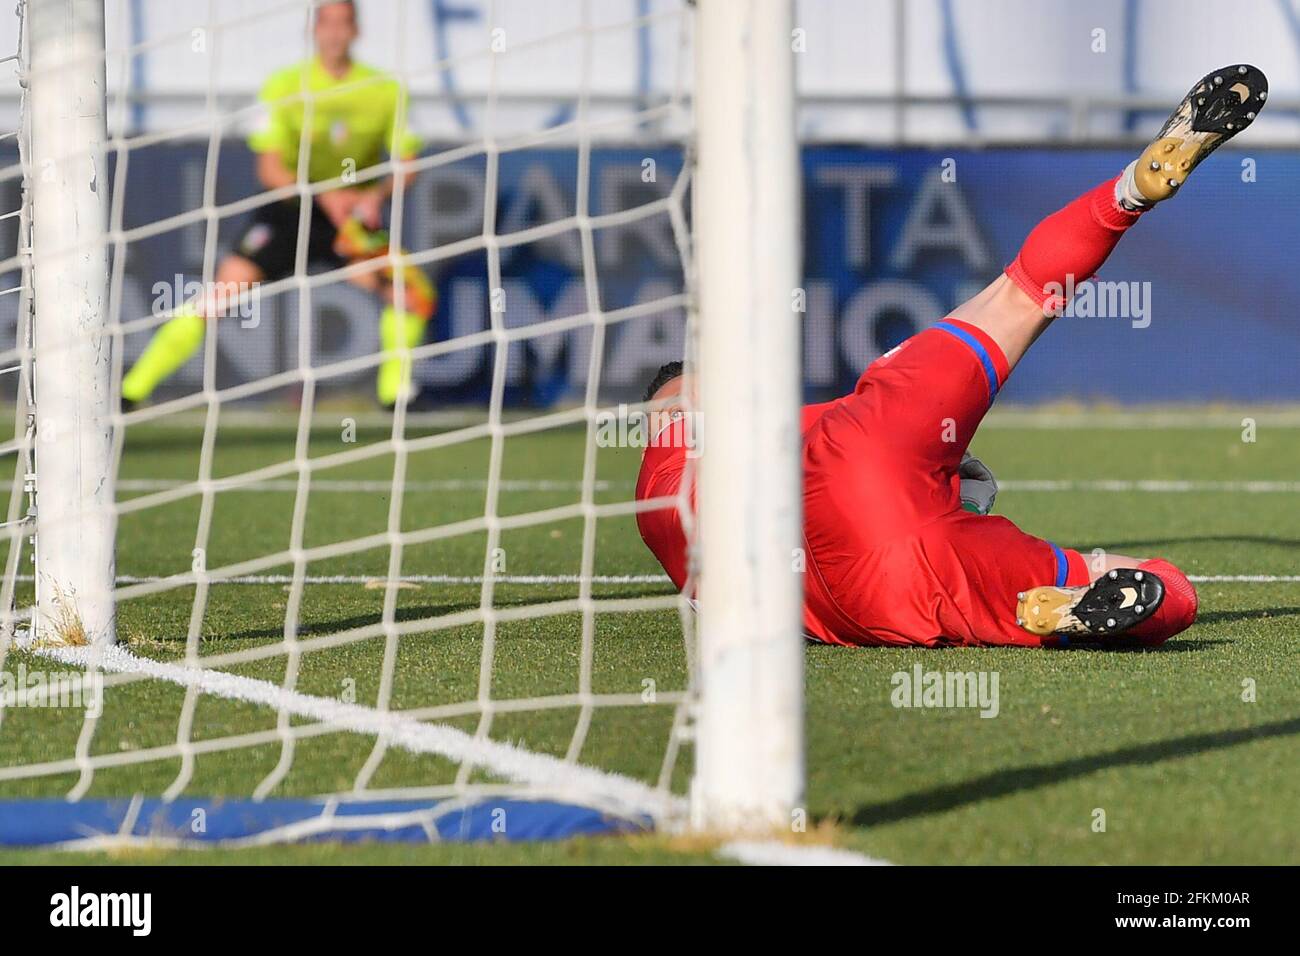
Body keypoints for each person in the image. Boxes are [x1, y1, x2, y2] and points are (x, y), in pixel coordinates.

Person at [636, 64, 1268, 648]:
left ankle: (1070, 610)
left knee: (1139, 581)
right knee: (1021, 294)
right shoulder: (759, 420)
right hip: (861, 464)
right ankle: (1130, 191)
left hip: (878, 595)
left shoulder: (658, 497)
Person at [121, 0, 433, 410]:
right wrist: (326, 194)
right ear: (314, 31)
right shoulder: (285, 86)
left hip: (350, 224)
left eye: (344, 24)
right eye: (328, 24)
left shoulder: (384, 90)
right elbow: (270, 170)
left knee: (411, 296)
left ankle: (395, 400)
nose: (335, 33)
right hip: (290, 214)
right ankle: (129, 394)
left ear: (356, 31)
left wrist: (373, 196)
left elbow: (408, 163)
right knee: (217, 297)